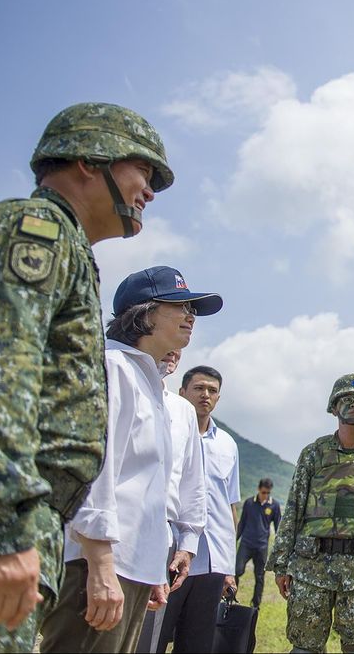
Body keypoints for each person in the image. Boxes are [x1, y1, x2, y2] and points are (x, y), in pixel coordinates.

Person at [0, 102, 172, 652]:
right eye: (142, 173)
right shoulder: (34, 233)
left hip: (9, 531)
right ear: (88, 159)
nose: (148, 192)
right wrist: (5, 530)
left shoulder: (68, 248)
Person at [40, 267, 222, 653]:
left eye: (192, 307)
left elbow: (153, 488)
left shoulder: (153, 385)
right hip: (98, 563)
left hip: (132, 566)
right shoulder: (111, 368)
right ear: (143, 314)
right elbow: (95, 473)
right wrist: (102, 564)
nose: (190, 316)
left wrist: (152, 565)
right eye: (179, 306)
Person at [270, 374, 354, 654]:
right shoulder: (313, 453)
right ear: (333, 407)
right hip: (311, 568)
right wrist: (281, 563)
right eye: (347, 400)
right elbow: (294, 507)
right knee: (305, 647)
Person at [154, 365, 241, 653]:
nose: (206, 395)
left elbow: (230, 506)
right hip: (172, 556)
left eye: (212, 390)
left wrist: (229, 567)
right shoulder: (167, 432)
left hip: (213, 564)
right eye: (199, 388)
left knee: (197, 644)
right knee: (153, 638)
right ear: (182, 392)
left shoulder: (228, 445)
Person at [136, 350, 207, 653]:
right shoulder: (113, 379)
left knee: (147, 639)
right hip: (112, 531)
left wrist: (188, 543)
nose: (175, 350)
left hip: (161, 539)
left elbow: (192, 481)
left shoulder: (182, 411)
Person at [237, 478, 282, 608]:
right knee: (237, 571)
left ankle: (255, 605)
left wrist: (279, 547)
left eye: (268, 492)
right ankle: (230, 598)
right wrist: (233, 540)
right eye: (263, 492)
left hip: (262, 546)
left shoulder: (274, 505)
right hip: (246, 543)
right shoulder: (249, 503)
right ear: (258, 489)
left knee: (260, 576)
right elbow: (242, 523)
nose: (265, 495)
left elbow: (278, 526)